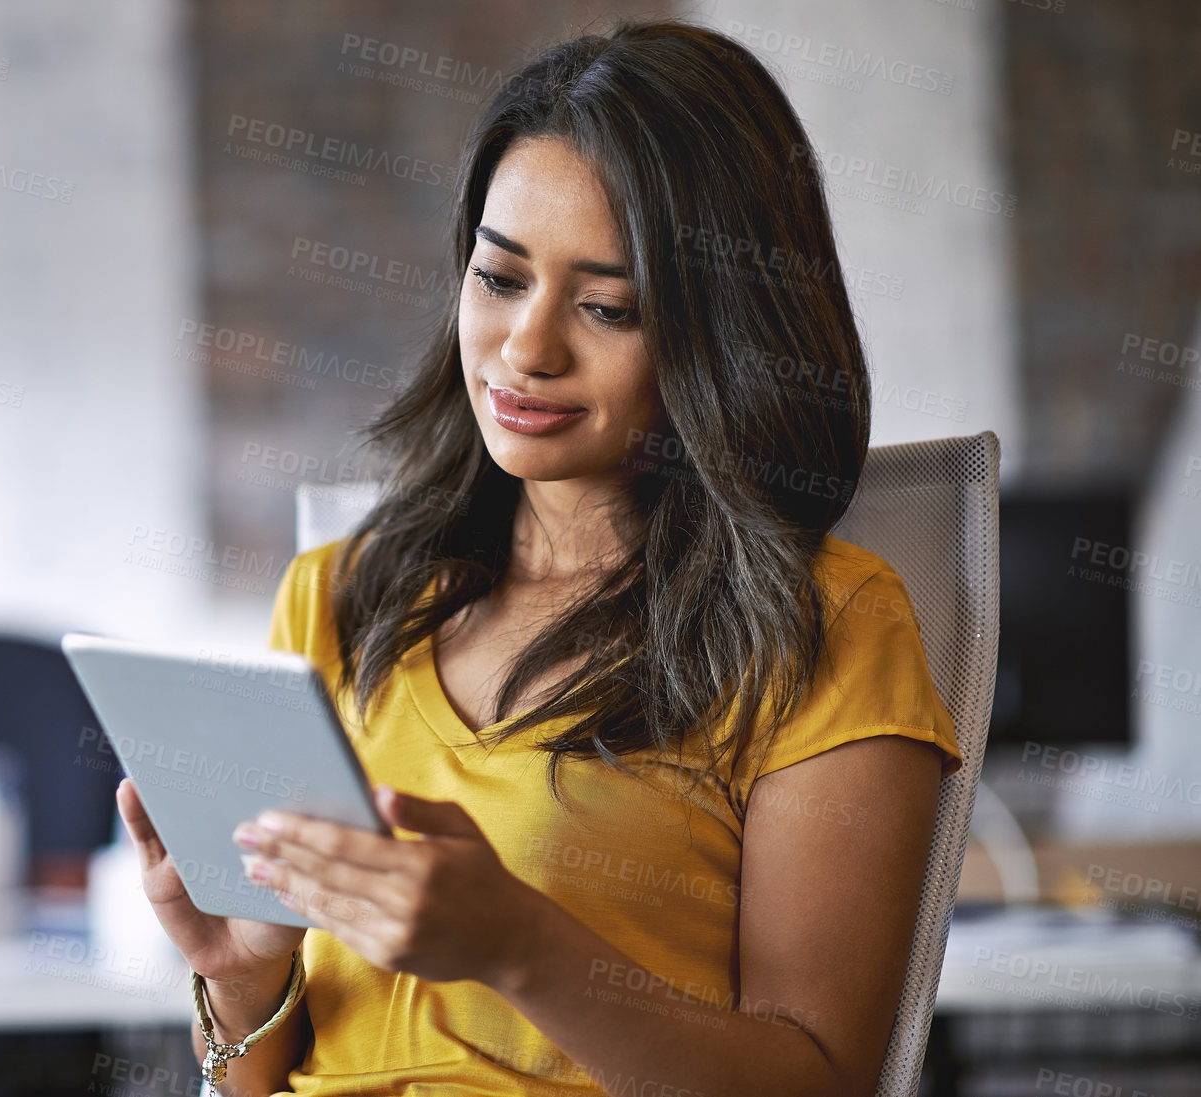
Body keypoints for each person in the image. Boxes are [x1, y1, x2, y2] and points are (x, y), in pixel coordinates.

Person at [115, 20, 961, 1097]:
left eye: (606, 306)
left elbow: (816, 1075)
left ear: (726, 334)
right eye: (501, 278)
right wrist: (242, 978)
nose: (526, 347)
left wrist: (519, 943)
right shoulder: (341, 592)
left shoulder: (826, 622)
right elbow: (250, 1076)